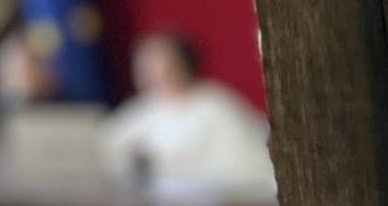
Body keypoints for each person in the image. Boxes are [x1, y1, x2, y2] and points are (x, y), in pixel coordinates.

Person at [102, 30, 274, 190]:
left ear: (181, 63)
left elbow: (248, 163)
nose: (149, 71)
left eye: (158, 61)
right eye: (143, 63)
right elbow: (109, 151)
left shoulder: (214, 103)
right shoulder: (139, 110)